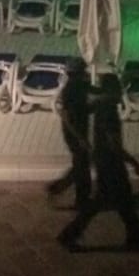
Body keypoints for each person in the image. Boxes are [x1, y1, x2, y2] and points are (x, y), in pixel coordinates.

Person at [57, 73, 139, 251]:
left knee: (120, 200)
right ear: (112, 89)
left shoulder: (100, 106)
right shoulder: (109, 111)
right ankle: (69, 234)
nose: (121, 91)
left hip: (103, 160)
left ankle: (135, 234)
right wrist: (133, 162)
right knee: (113, 200)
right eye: (118, 87)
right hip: (111, 164)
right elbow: (113, 143)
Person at [45, 61, 92, 209]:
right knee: (81, 165)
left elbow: (83, 107)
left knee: (82, 164)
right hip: (75, 134)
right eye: (83, 71)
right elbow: (66, 116)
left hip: (78, 132)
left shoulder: (79, 86)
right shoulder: (71, 89)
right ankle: (60, 189)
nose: (86, 73)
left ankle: (80, 197)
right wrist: (80, 138)